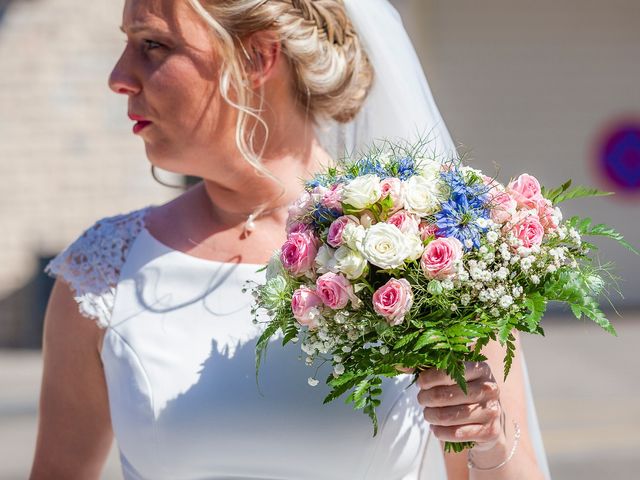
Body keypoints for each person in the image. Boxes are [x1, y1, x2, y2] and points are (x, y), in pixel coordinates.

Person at [31, 0, 550, 479]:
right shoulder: (104, 270)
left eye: (153, 45)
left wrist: (485, 434)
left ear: (257, 56)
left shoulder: (428, 245)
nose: (118, 77)